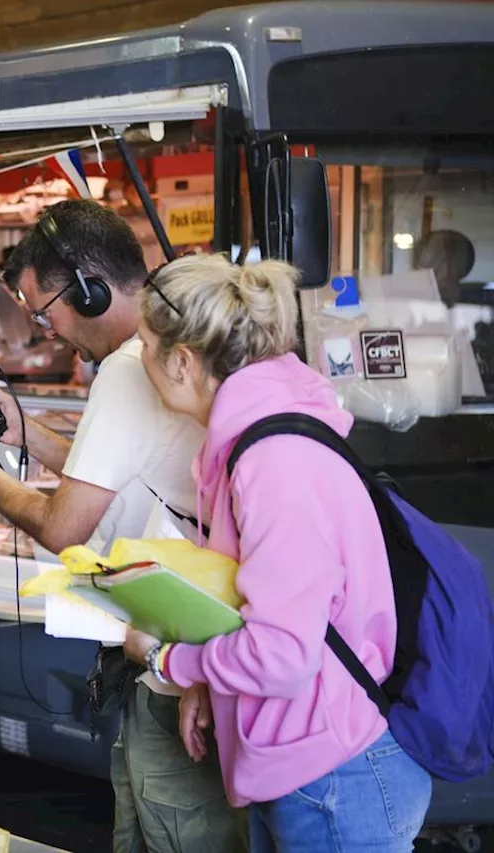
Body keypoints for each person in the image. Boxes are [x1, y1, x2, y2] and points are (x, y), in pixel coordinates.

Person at [0, 201, 243, 852]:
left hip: (181, 657)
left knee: (167, 829)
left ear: (90, 289)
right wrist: (19, 430)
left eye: (47, 312)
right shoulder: (152, 355)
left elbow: (63, 525)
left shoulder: (133, 365)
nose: (51, 331)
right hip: (181, 652)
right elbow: (112, 466)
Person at [123, 254, 431, 851]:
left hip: (335, 776)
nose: (139, 360)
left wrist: (168, 661)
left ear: (182, 362)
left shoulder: (274, 461)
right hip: (306, 762)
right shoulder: (255, 439)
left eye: (143, 344)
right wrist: (210, 689)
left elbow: (282, 653)